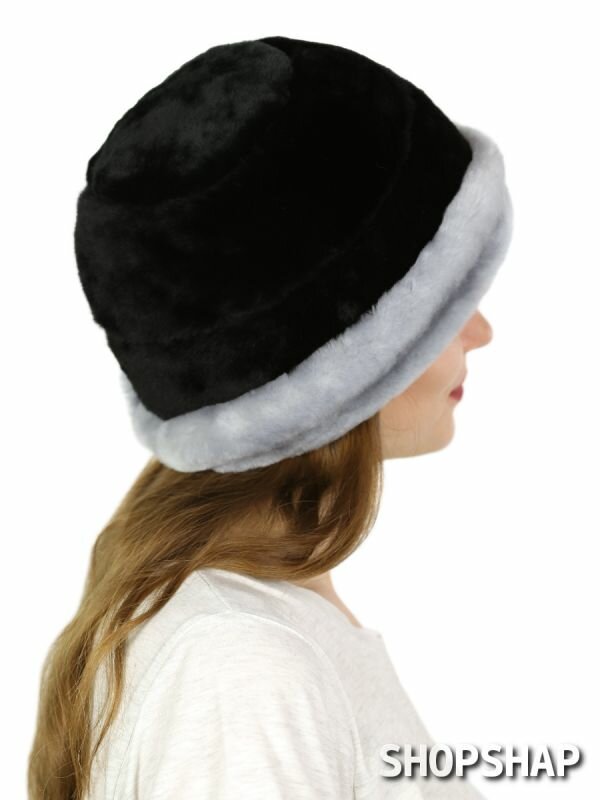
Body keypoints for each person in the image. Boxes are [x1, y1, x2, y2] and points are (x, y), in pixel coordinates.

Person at [27, 35, 513, 800]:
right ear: (341, 360)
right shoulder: (244, 669)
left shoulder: (265, 631)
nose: (481, 332)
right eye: (444, 304)